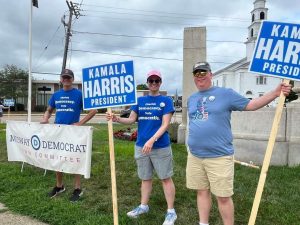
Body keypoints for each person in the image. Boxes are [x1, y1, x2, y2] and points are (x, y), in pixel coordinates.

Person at [186, 62, 291, 225]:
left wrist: (275, 93)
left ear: (210, 74)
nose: (199, 76)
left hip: (219, 156)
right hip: (195, 156)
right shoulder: (192, 98)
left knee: (223, 197)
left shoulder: (225, 94)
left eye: (203, 72)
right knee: (201, 191)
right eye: (196, 73)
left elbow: (251, 105)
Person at [106, 70, 177, 225]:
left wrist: (152, 140)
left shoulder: (166, 101)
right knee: (145, 178)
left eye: (156, 80)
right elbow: (131, 120)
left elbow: (165, 124)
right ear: (147, 83)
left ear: (160, 82)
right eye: (151, 81)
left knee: (165, 178)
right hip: (141, 146)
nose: (153, 83)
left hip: (160, 146)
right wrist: (117, 118)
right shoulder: (140, 101)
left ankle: (171, 212)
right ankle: (144, 206)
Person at [41, 69, 97, 202]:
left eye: (68, 77)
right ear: (61, 79)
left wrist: (80, 123)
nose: (66, 80)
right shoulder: (56, 95)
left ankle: (77, 188)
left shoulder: (79, 94)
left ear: (72, 79)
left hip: (73, 132)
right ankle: (59, 186)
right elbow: (49, 110)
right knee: (58, 157)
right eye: (64, 77)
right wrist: (45, 118)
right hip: (58, 131)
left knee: (74, 159)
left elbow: (93, 110)